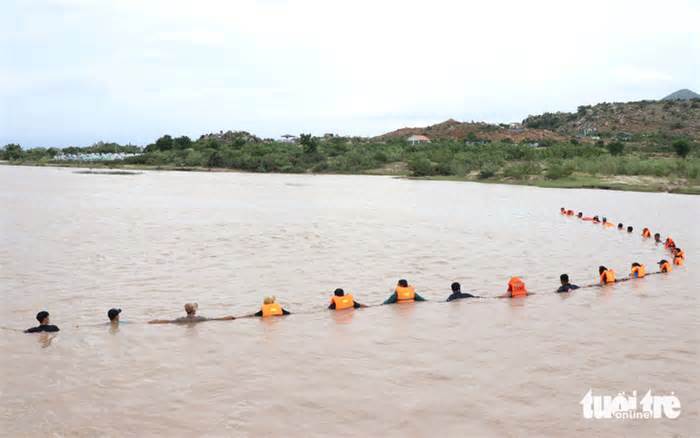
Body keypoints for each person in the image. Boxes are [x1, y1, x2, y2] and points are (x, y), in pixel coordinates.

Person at [149, 303, 235, 324]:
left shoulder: (181, 320)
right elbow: (217, 319)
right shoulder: (200, 319)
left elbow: (168, 321)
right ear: (194, 311)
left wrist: (155, 321)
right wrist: (230, 317)